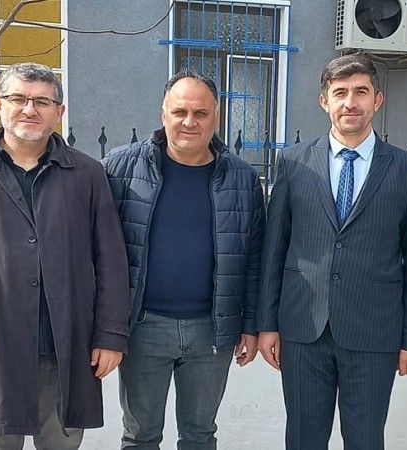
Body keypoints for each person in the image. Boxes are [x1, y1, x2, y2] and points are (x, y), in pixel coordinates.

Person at [0, 62, 131, 449]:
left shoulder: (87, 173)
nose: (29, 109)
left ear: (59, 112)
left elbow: (111, 260)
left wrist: (111, 334)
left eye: (42, 102)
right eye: (18, 98)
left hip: (65, 349)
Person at [257, 54, 407, 449]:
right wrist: (266, 323)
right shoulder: (293, 162)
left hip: (374, 334)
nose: (350, 103)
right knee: (303, 439)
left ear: (377, 100)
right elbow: (274, 249)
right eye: (340, 93)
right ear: (325, 101)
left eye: (360, 92)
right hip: (303, 329)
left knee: (366, 440)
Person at [101, 70, 265, 450]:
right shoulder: (119, 169)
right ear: (164, 115)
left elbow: (254, 258)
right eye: (180, 112)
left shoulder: (242, 179)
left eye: (201, 113)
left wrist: (251, 325)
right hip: (144, 328)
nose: (189, 122)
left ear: (216, 117)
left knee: (200, 436)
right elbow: (97, 252)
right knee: (140, 436)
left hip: (212, 330)